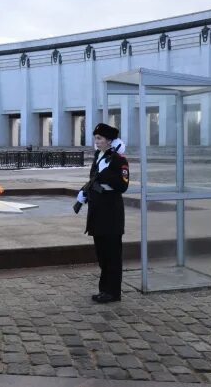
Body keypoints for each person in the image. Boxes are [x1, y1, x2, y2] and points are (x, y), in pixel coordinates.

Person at [76, 123, 129, 303]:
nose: (96, 142)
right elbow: (93, 179)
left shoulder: (119, 160)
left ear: (109, 140)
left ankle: (113, 292)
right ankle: (104, 289)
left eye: (100, 139)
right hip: (97, 212)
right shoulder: (99, 157)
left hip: (111, 213)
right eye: (96, 138)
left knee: (112, 255)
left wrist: (106, 173)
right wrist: (85, 193)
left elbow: (123, 185)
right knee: (102, 255)